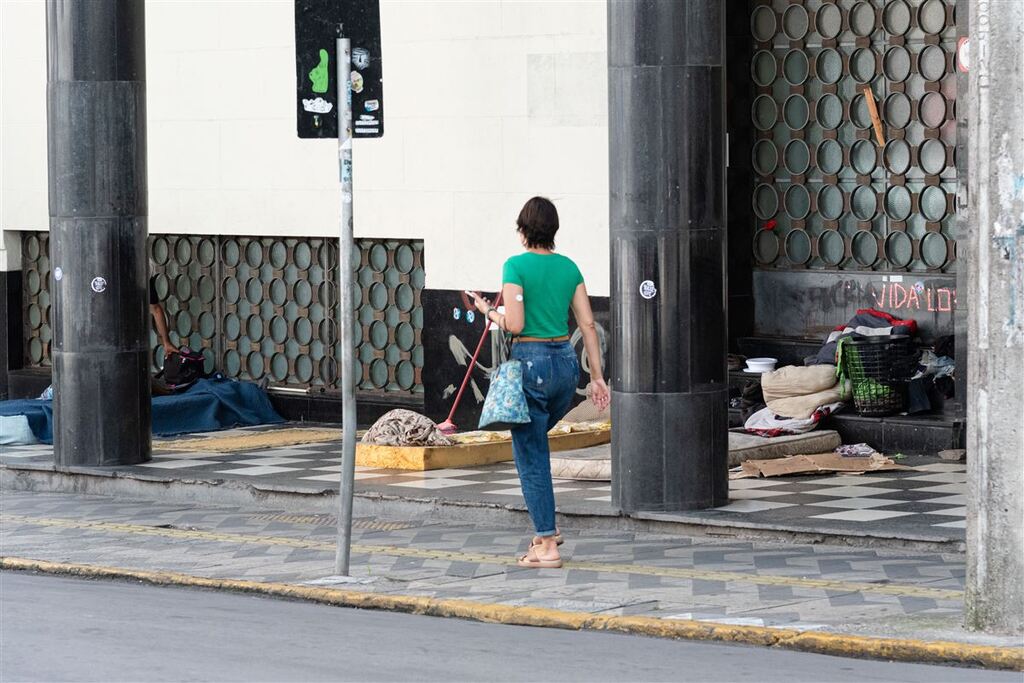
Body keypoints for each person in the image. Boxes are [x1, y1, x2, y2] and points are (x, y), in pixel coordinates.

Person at [470, 196, 610, 569]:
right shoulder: (569, 267)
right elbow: (587, 325)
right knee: (535, 445)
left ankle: (546, 543)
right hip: (566, 366)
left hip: (531, 365)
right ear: (553, 230)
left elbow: (514, 324)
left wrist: (488, 311)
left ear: (522, 230)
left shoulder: (515, 265)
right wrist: (596, 377)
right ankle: (546, 525)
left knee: (530, 456)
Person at [149, 275, 176, 355]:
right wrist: (166, 342)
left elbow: (155, 309)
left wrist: (166, 342)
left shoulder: (142, 273)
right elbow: (155, 309)